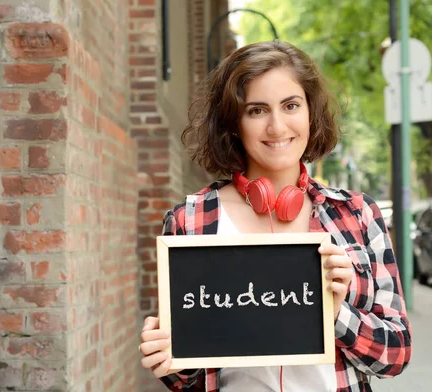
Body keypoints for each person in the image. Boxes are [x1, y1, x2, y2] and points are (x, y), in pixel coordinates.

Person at [139, 40, 412, 392]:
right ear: (233, 123)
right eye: (256, 110)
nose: (277, 126)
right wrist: (166, 358)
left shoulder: (358, 214)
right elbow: (184, 378)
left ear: (311, 113)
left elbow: (396, 356)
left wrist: (336, 312)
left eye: (291, 105)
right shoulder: (190, 221)